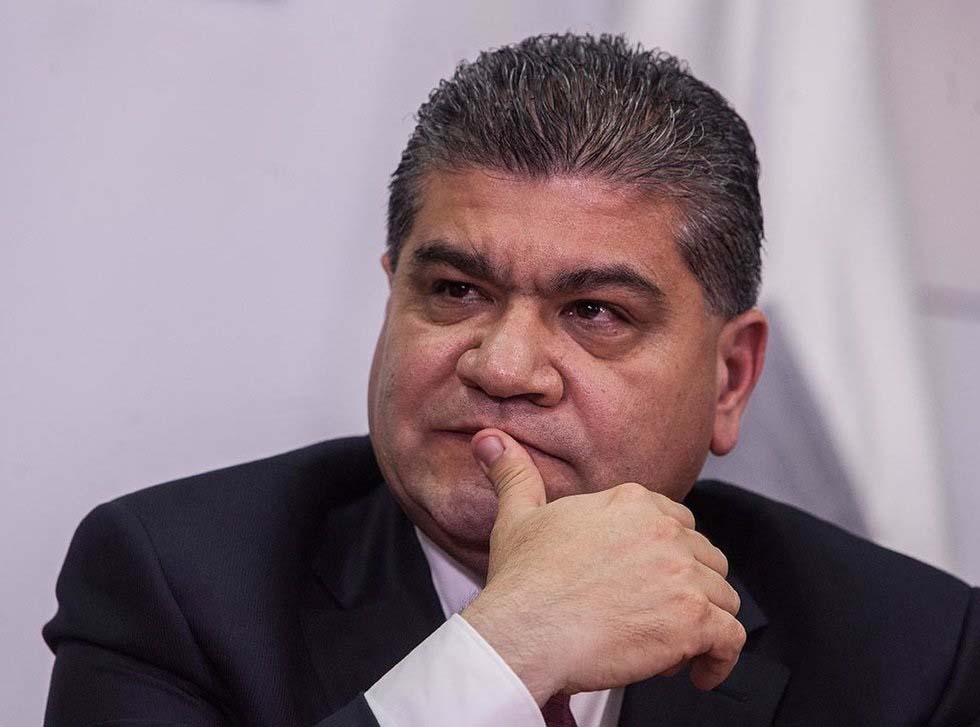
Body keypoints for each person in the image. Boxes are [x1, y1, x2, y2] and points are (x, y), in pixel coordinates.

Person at [43, 33, 979, 727]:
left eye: (594, 311)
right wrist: (502, 654)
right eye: (455, 290)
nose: (502, 366)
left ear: (731, 379)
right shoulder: (178, 586)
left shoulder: (909, 652)